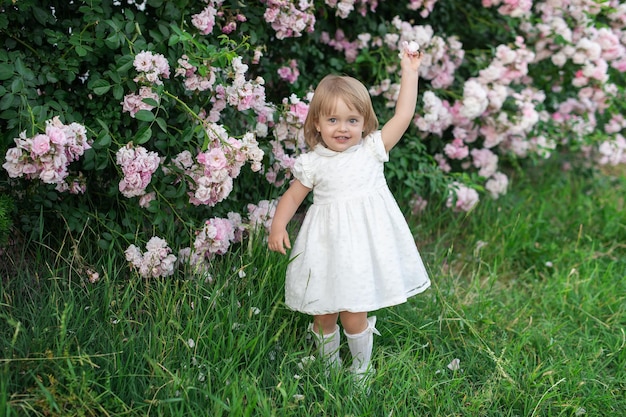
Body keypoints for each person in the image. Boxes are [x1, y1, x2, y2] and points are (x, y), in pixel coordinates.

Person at [268, 44, 431, 386]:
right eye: (333, 120)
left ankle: (360, 369)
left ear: (365, 123)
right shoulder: (313, 163)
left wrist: (409, 71)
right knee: (323, 312)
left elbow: (402, 115)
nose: (343, 128)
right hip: (325, 250)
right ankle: (327, 368)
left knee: (353, 313)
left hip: (360, 252)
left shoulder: (372, 150)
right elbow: (292, 196)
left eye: (352, 120)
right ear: (317, 122)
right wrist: (278, 225)